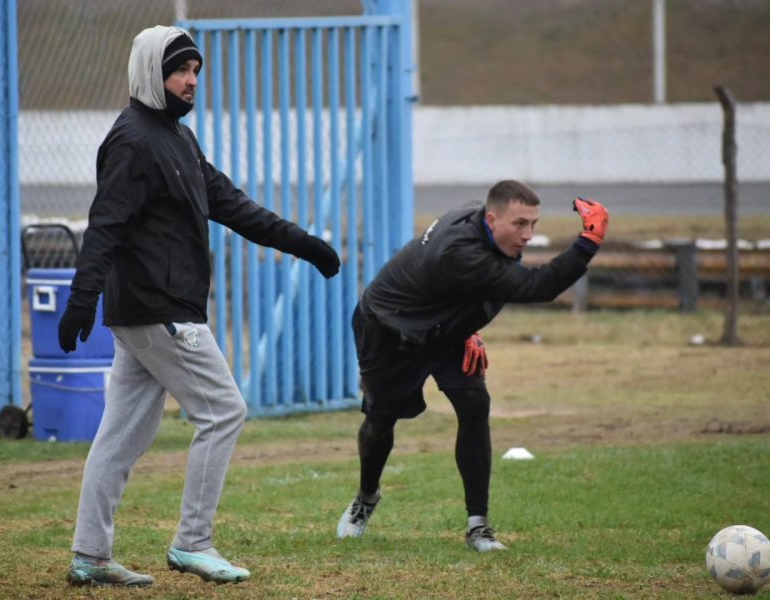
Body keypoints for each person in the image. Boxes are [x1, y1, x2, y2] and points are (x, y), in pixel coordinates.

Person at [58, 25, 341, 587]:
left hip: (153, 309)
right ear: (150, 73)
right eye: (179, 70)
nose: (190, 81)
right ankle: (193, 542)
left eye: (194, 71)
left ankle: (90, 556)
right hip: (162, 309)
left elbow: (232, 204)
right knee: (224, 410)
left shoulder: (177, 138)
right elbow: (105, 225)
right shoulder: (133, 140)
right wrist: (80, 297)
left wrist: (304, 244)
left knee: (121, 436)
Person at [335, 180, 608, 551]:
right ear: (492, 219)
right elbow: (536, 287)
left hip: (444, 330)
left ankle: (478, 527)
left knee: (475, 406)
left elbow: (470, 287)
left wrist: (466, 329)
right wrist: (588, 240)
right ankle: (365, 500)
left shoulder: (482, 223)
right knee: (380, 421)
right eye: (520, 225)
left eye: (533, 223)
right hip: (388, 329)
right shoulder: (459, 252)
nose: (528, 235)